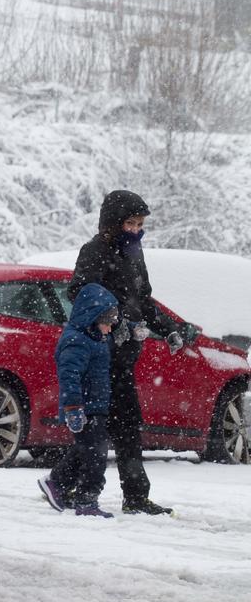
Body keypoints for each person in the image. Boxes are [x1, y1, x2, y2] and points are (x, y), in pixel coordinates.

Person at [66, 190, 194, 516]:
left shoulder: (135, 254)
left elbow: (145, 301)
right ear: (112, 223)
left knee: (117, 425)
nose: (137, 230)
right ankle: (71, 483)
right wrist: (114, 320)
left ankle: (124, 494)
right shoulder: (94, 252)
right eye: (131, 223)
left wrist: (169, 328)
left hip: (124, 356)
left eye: (140, 224)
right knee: (113, 424)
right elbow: (81, 294)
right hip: (100, 355)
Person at [38, 283, 121, 518]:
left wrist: (132, 329)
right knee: (96, 456)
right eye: (107, 322)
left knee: (86, 451)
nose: (109, 329)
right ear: (92, 317)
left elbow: (111, 336)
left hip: (95, 407)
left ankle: (56, 483)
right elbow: (69, 377)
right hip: (83, 408)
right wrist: (73, 408)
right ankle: (86, 500)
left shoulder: (94, 337)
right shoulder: (76, 341)